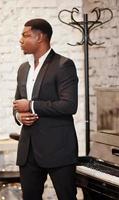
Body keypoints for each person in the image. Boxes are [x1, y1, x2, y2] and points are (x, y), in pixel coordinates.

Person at [12, 18, 78, 200]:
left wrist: (32, 105)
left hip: (58, 149)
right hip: (28, 152)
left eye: (25, 35)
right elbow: (18, 103)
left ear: (40, 37)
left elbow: (69, 105)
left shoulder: (63, 65)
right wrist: (19, 116)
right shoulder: (23, 69)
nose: (21, 40)